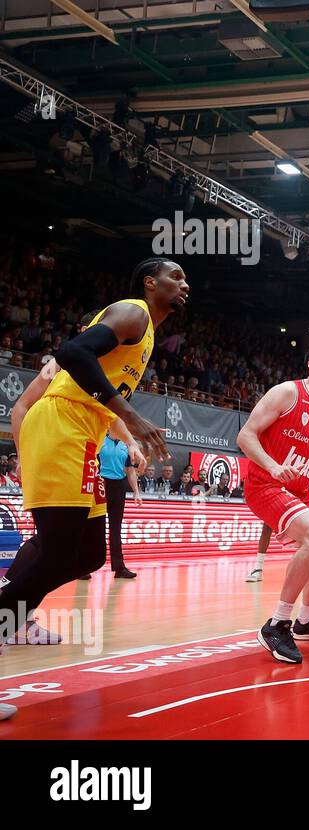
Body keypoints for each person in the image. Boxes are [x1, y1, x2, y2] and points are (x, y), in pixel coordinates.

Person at [0, 259, 179, 719]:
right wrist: (130, 415)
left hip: (82, 435)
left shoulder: (148, 334)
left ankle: (10, 608)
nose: (184, 284)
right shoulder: (133, 311)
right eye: (174, 276)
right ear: (148, 281)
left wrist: (119, 426)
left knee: (88, 556)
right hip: (59, 424)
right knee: (59, 553)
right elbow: (71, 351)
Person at [237, 339, 309, 664]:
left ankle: (305, 622)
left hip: (298, 490)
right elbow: (245, 435)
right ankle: (277, 624)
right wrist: (272, 465)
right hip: (264, 484)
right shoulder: (287, 392)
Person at [98, 432, 142, 579]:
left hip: (118, 486)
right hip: (101, 483)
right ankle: (85, 567)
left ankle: (119, 567)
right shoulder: (100, 440)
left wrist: (136, 491)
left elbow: (130, 471)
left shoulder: (125, 446)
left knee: (115, 528)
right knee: (95, 526)